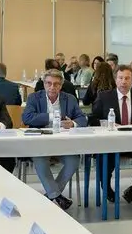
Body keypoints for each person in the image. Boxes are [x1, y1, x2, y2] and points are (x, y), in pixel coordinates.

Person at [91, 65, 132, 204]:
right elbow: (92, 119)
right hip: (111, 143)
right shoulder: (104, 97)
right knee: (104, 157)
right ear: (115, 80)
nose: (124, 81)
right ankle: (107, 189)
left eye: (127, 78)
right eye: (120, 78)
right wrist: (107, 123)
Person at [22, 68, 86, 209]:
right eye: (49, 83)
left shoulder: (69, 99)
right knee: (39, 160)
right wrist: (53, 116)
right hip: (41, 144)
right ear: (44, 84)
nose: (52, 87)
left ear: (61, 85)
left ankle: (51, 195)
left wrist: (73, 123)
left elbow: (82, 118)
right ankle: (56, 196)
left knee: (74, 160)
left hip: (63, 144)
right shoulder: (34, 97)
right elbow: (26, 118)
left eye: (56, 84)